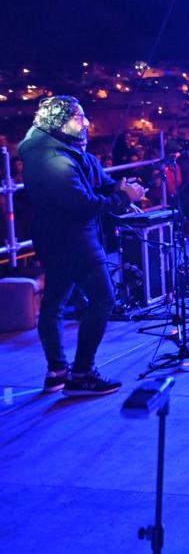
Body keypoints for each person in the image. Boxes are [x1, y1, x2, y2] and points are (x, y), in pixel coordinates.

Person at [19, 96, 145, 396]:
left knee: (54, 305)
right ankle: (82, 372)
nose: (86, 123)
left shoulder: (63, 150)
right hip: (74, 241)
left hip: (58, 239)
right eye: (78, 117)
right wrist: (124, 199)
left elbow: (96, 181)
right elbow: (82, 204)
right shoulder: (53, 160)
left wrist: (122, 189)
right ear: (59, 122)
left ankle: (58, 371)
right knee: (103, 300)